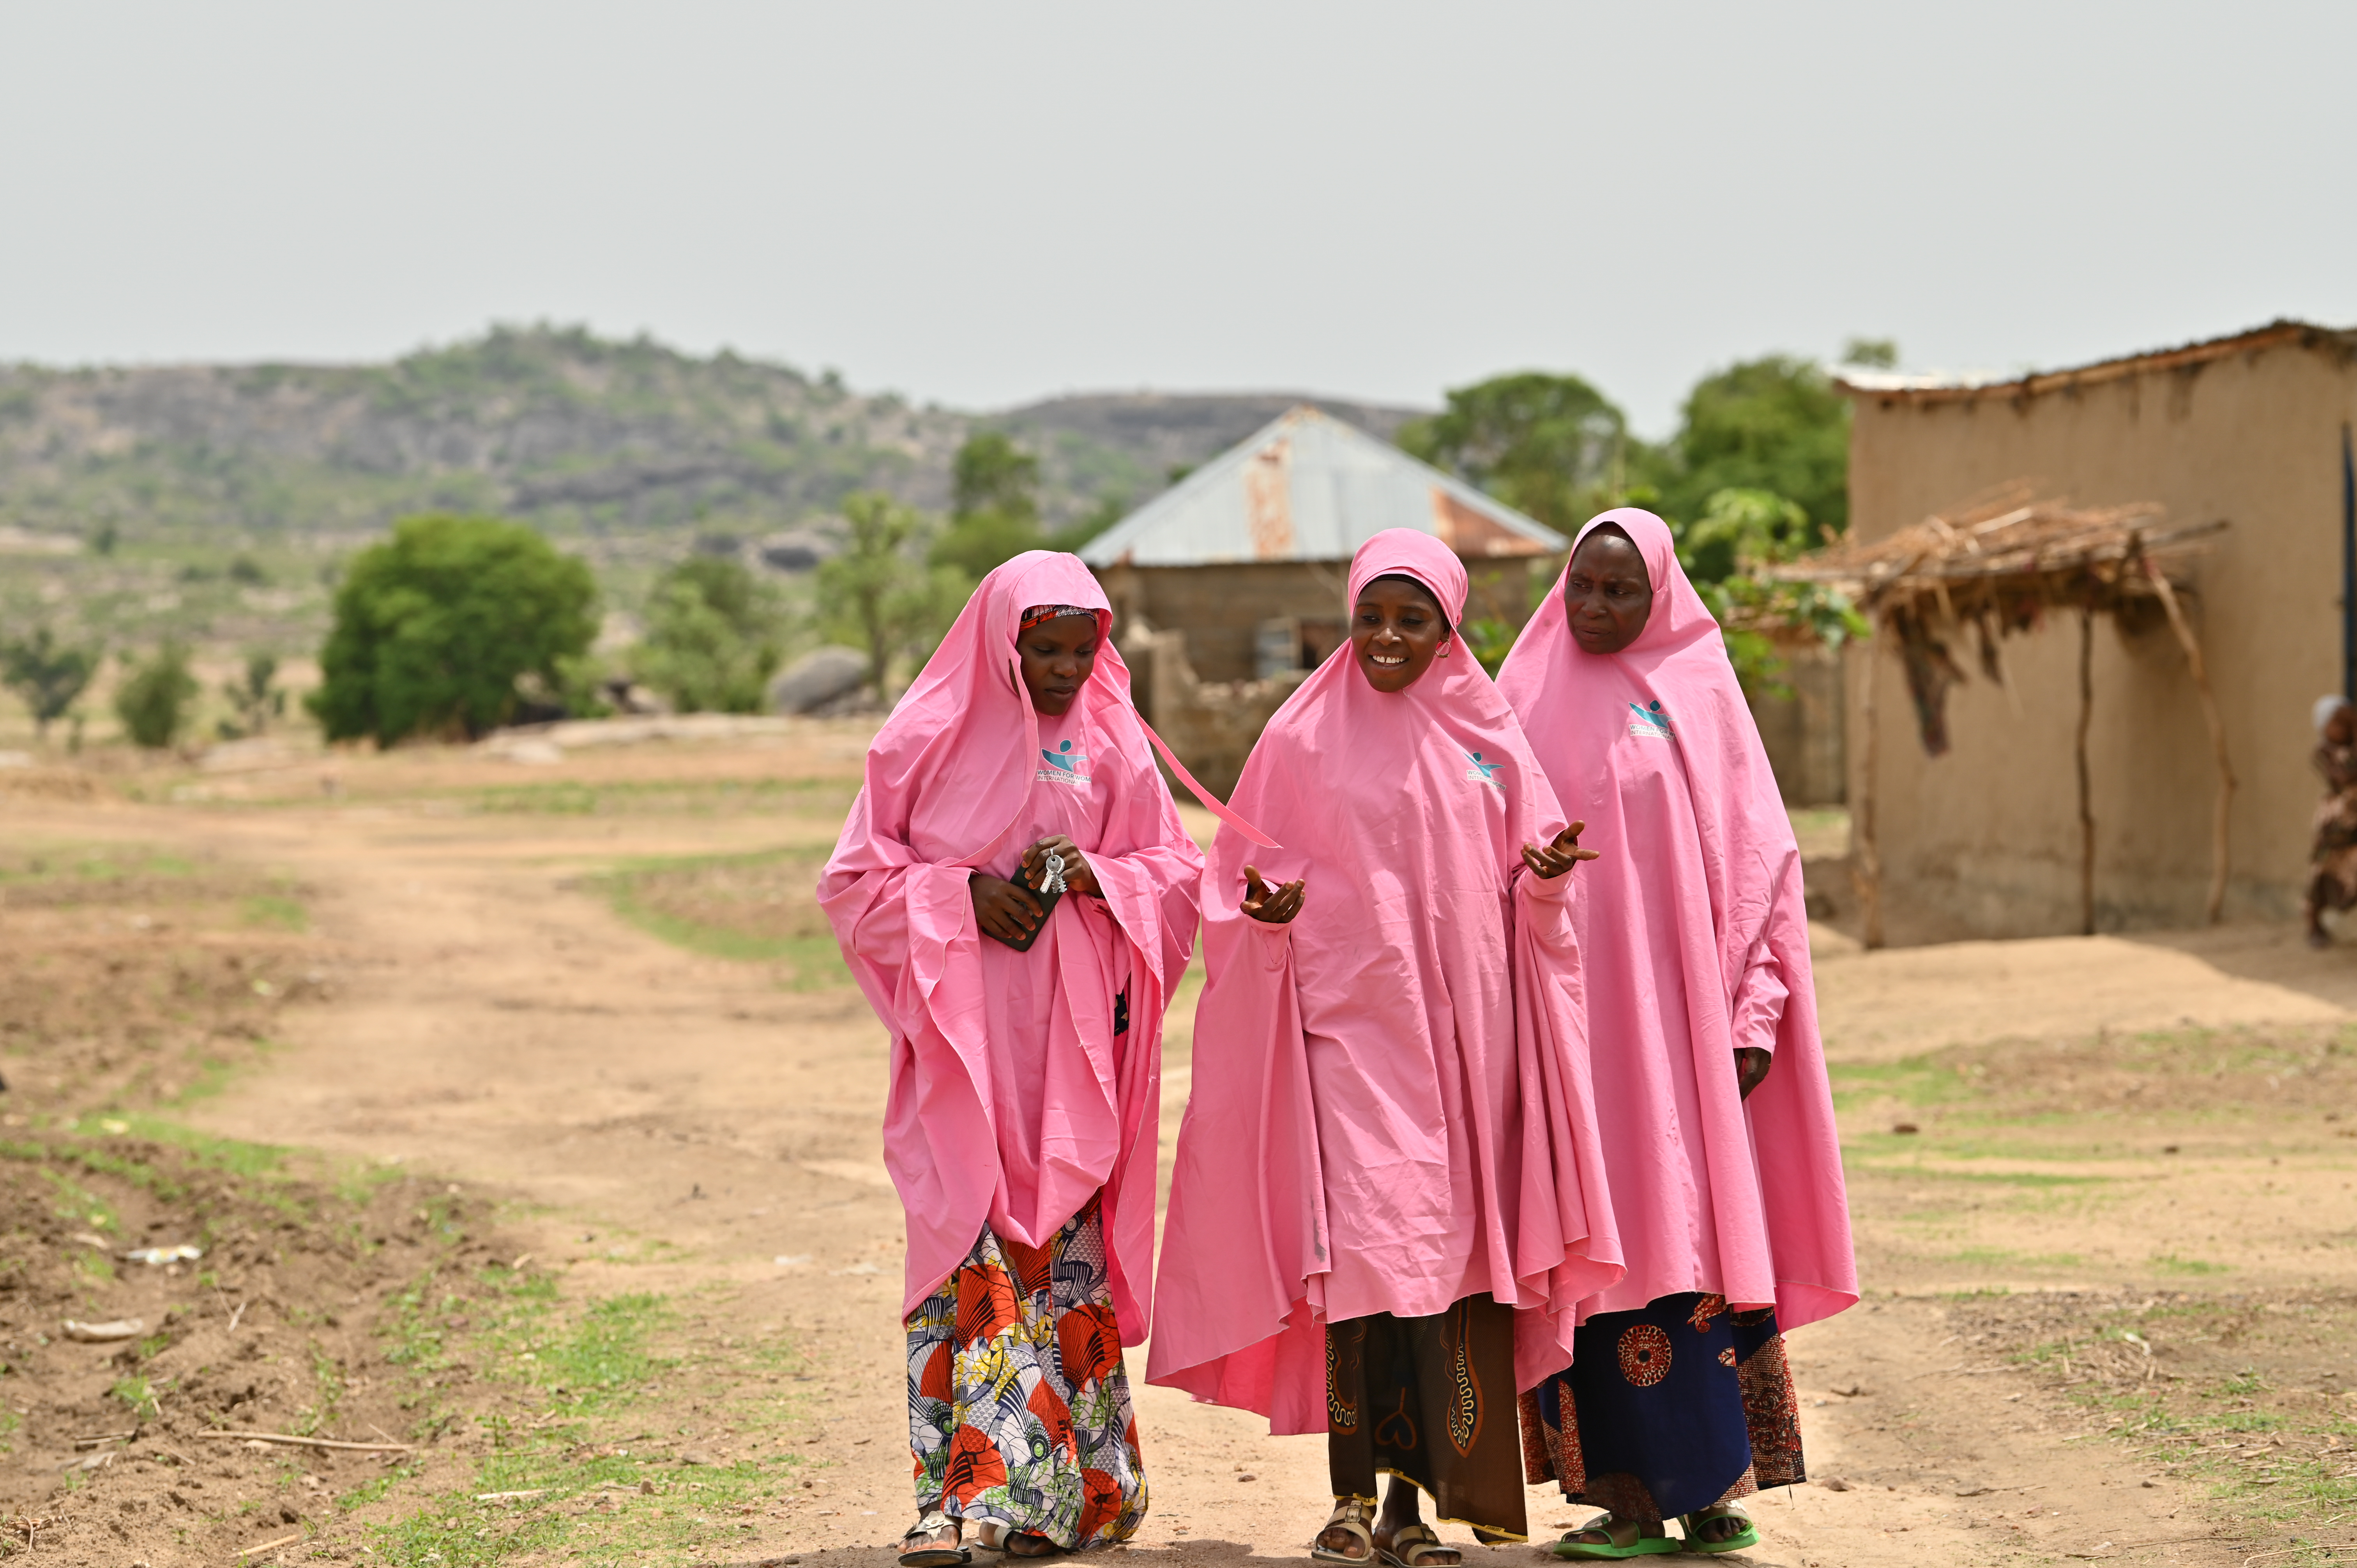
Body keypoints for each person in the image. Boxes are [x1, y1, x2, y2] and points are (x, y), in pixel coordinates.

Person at [1149, 529, 1622, 1568]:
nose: (1389, 637)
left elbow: (1541, 898)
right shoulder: (1301, 739)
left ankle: (1415, 1511)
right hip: (1346, 1039)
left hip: (1466, 1053)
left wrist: (1544, 880)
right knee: (1363, 1269)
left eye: (1414, 620)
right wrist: (1265, 917)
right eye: (1373, 617)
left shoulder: (1490, 740)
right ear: (1348, 621)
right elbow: (1235, 886)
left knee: (1444, 1280)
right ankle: (1349, 1501)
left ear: (1450, 628)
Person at [820, 553, 1205, 1564]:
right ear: (1002, 640)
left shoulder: (1113, 740)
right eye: (1046, 649)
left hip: (1070, 1058)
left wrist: (1099, 879)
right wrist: (958, 896)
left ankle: (1081, 1497)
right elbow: (856, 881)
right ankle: (968, 1503)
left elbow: (1175, 875)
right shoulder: (922, 739)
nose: (1067, 669)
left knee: (1061, 1255)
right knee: (965, 1243)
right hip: (965, 1052)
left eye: (1084, 650)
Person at [1494, 509, 1857, 1559]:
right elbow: (1486, 862)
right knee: (1597, 1238)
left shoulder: (1700, 695)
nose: (1597, 608)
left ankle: (1714, 1489)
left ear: (1661, 594)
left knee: (1688, 1232)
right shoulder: (1518, 699)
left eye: (1622, 591)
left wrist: (1755, 1015)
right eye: (1583, 589)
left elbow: (1760, 865)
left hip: (1685, 1037)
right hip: (1570, 1035)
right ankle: (1626, 1498)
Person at [2306, 696, 2357, 948]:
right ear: (2324, 725)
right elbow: (2343, 778)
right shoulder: (2323, 752)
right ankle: (2313, 923)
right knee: (2323, 874)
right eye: (2338, 722)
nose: (2344, 728)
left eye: (2347, 723)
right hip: (2336, 824)